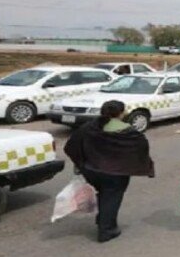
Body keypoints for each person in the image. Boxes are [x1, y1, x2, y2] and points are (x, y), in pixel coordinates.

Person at [64, 100, 154, 243]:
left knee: (103, 194)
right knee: (111, 197)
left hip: (91, 171)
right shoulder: (130, 132)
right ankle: (106, 230)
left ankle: (102, 219)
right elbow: (141, 149)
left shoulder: (89, 127)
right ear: (121, 113)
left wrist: (80, 163)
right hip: (116, 173)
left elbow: (71, 145)